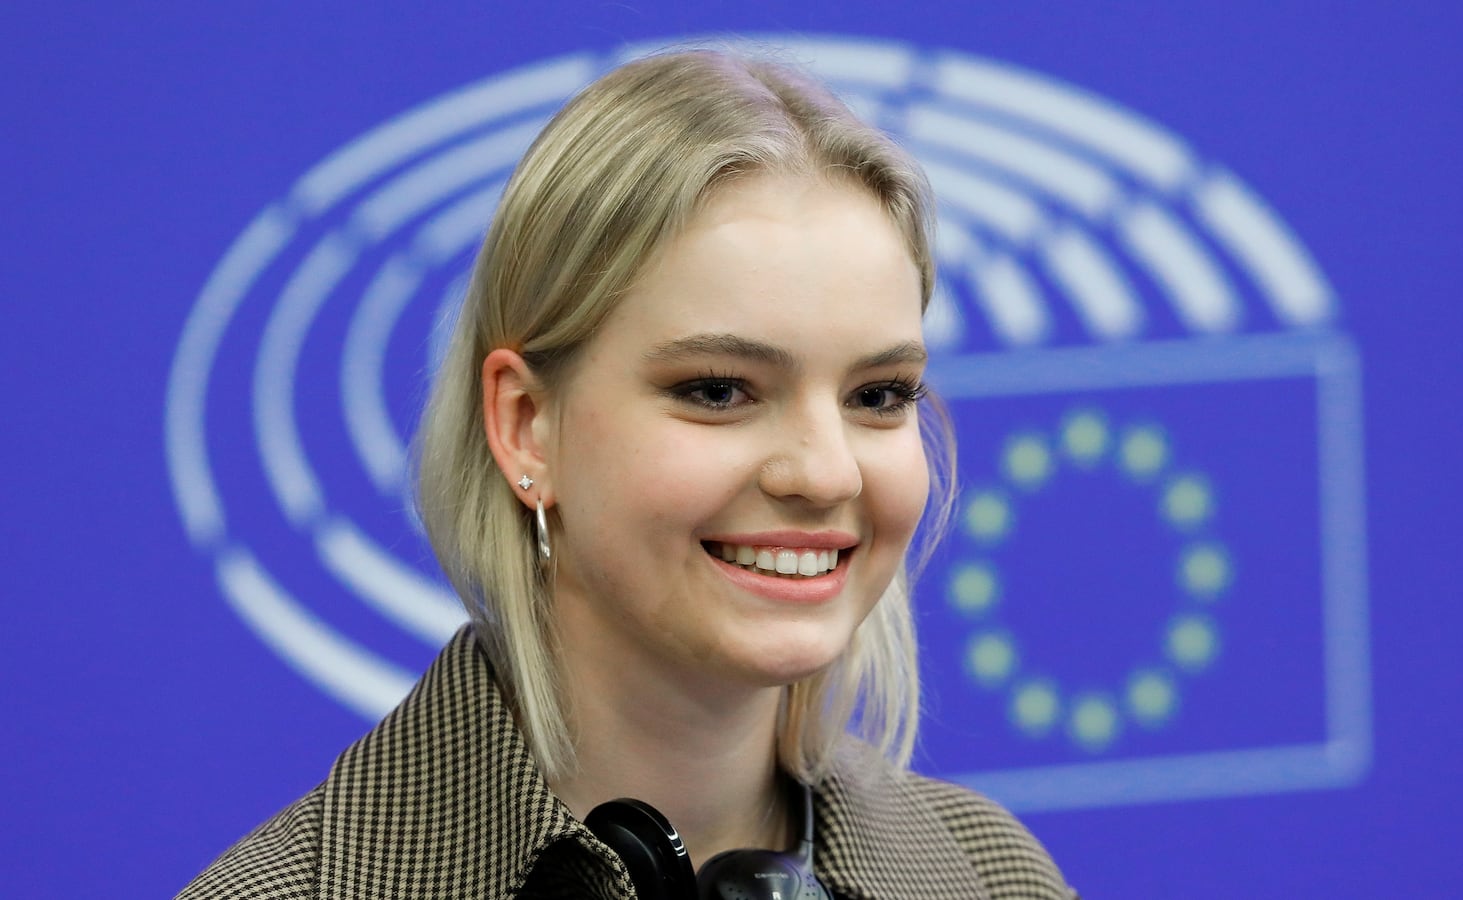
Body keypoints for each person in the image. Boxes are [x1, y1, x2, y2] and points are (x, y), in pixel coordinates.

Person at [179, 48, 1076, 899]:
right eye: (719, 389)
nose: (825, 471)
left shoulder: (995, 875)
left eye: (879, 395)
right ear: (527, 426)